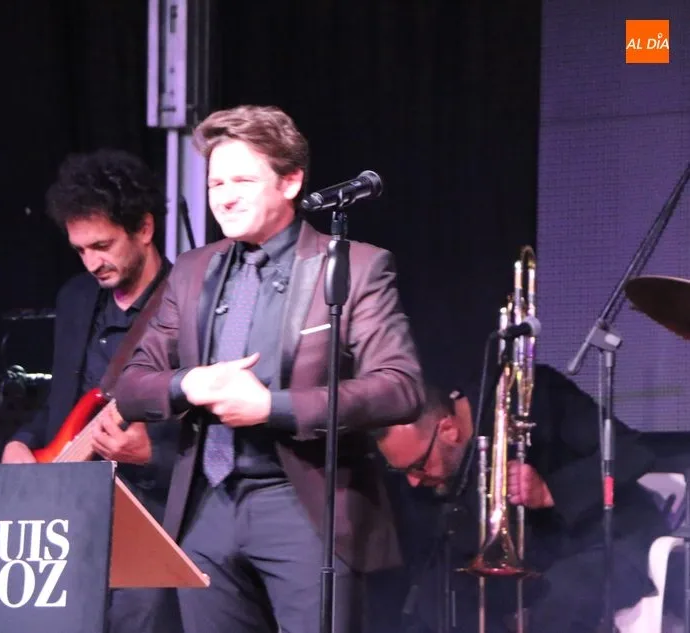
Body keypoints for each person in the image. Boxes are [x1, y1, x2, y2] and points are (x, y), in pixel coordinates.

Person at [112, 104, 425, 633]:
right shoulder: (192, 270)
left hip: (304, 505)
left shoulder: (353, 266)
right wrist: (190, 382)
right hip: (205, 508)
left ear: (291, 182)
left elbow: (400, 387)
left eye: (243, 181)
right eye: (215, 184)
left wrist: (271, 407)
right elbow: (132, 385)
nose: (225, 197)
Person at [0, 148, 182, 633]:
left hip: (153, 517)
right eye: (80, 250)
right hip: (73, 519)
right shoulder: (77, 298)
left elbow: (212, 433)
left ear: (144, 228)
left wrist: (153, 455)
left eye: (102, 245)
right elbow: (61, 404)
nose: (91, 263)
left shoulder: (185, 302)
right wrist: (22, 442)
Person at [374, 364, 670, 633]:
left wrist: (551, 491)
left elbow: (633, 452)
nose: (413, 481)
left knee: (561, 597)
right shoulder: (436, 465)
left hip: (609, 540)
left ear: (449, 430)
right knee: (438, 595)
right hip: (538, 557)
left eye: (417, 466)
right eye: (402, 471)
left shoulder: (534, 395)